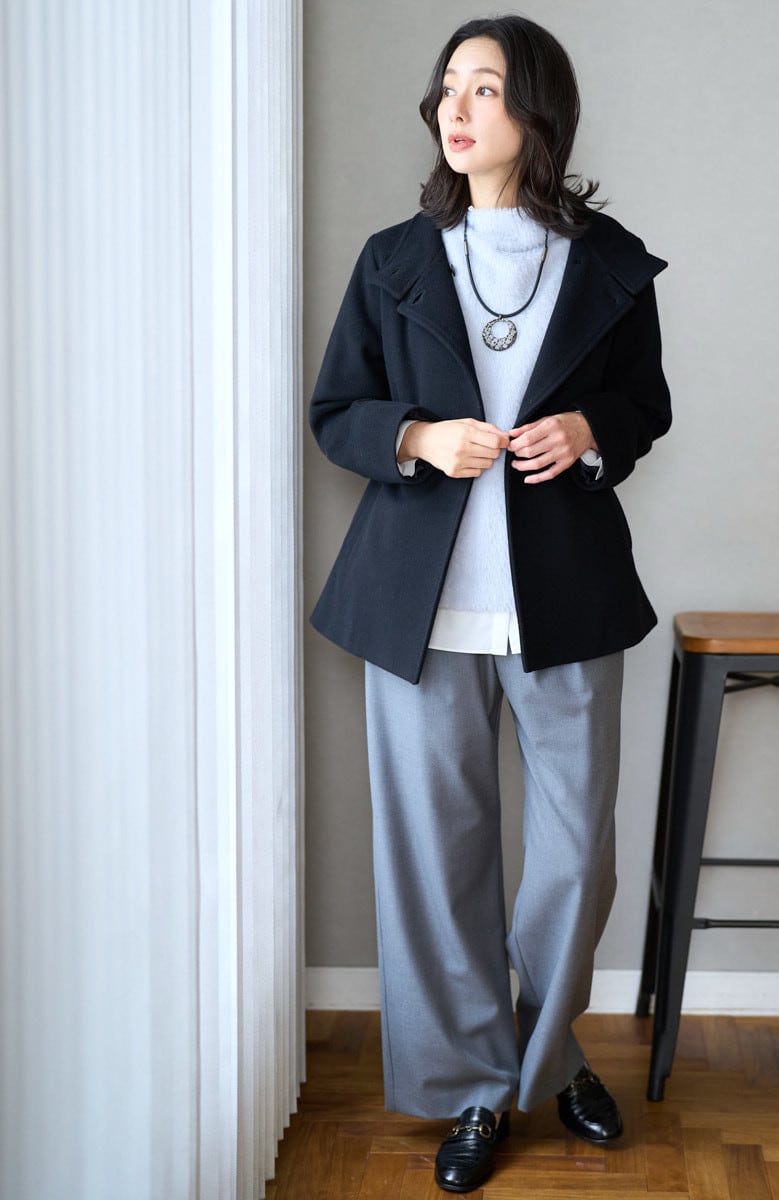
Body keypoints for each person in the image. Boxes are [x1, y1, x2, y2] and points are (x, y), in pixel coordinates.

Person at [309, 14, 671, 1193]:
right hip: (418, 609)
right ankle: (476, 1087)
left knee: (575, 860)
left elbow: (645, 405)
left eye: (485, 88)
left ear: (537, 112)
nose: (454, 110)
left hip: (566, 600)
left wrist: (589, 430)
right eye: (447, 88)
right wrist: (418, 437)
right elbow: (335, 413)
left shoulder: (610, 263)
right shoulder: (393, 259)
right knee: (437, 864)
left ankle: (545, 1053)